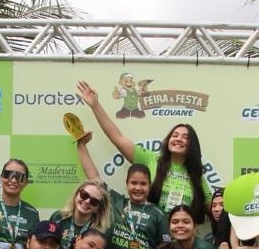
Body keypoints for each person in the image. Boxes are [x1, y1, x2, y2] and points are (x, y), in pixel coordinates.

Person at [77, 80, 211, 221]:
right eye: (175, 135)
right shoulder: (151, 160)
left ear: (193, 145)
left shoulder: (197, 177)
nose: (178, 139)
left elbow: (215, 210)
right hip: (151, 234)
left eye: (185, 137)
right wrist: (95, 105)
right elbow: (118, 137)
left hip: (181, 237)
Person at [75, 132, 170, 249]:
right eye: (134, 183)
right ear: (126, 184)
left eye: (143, 184)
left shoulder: (158, 213)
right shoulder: (115, 202)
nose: (138, 188)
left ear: (150, 186)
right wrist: (81, 146)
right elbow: (93, 177)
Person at [50, 179, 112, 249]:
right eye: (84, 195)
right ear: (77, 194)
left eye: (94, 201)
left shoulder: (102, 232)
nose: (87, 201)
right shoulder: (58, 217)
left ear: (98, 208)